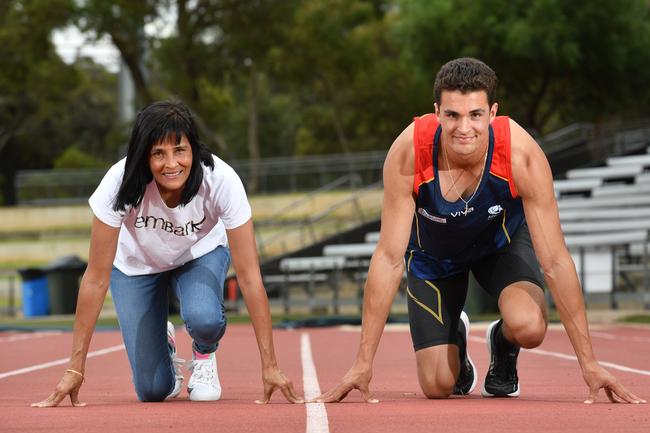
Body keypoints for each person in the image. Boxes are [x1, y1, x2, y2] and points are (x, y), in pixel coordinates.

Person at [315, 58, 646, 405]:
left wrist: (589, 364)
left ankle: (503, 345)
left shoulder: (521, 155)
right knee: (438, 386)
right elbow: (387, 258)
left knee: (529, 327)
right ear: (437, 112)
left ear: (492, 112)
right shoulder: (409, 152)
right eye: (452, 115)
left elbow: (556, 261)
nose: (464, 128)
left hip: (498, 245)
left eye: (475, 114)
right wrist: (362, 363)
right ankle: (454, 338)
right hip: (434, 257)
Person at [32, 100, 303, 406]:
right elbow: (95, 279)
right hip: (136, 265)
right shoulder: (119, 182)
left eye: (179, 150)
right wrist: (74, 368)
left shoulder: (221, 180)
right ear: (143, 156)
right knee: (152, 391)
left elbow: (251, 278)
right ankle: (166, 344)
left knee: (205, 319)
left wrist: (270, 366)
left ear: (194, 149)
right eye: (158, 153)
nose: (171, 164)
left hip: (199, 254)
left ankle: (204, 353)